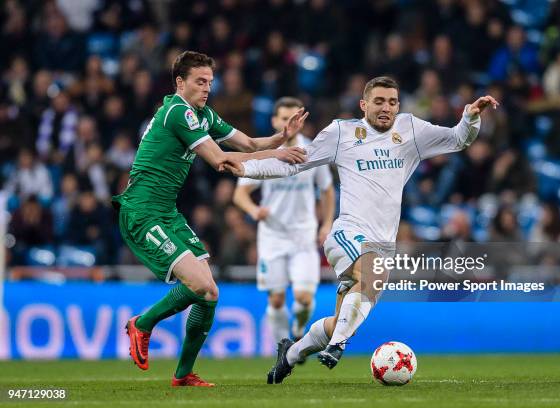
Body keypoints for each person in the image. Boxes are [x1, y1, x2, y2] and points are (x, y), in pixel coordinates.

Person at [225, 76, 498, 383]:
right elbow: (294, 164)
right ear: (363, 104)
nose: (386, 108)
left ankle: (290, 353)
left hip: (384, 242)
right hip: (347, 233)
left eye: (392, 102)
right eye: (379, 101)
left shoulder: (410, 129)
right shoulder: (341, 132)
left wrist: (470, 117)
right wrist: (246, 166)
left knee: (342, 319)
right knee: (369, 277)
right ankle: (338, 346)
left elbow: (457, 139)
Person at [113, 51, 308, 387]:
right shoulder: (178, 112)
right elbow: (221, 161)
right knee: (200, 285)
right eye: (200, 82)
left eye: (209, 82)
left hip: (166, 212)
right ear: (180, 82)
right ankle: (142, 324)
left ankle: (183, 374)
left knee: (209, 294)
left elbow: (246, 142)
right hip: (142, 211)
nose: (206, 88)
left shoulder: (202, 114)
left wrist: (280, 137)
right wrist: (277, 154)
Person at [233, 97, 335, 345]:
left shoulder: (313, 151)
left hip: (303, 235)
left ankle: (299, 329)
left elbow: (327, 190)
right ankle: (282, 348)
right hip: (272, 236)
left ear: (301, 121)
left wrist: (327, 223)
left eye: (294, 118)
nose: (289, 123)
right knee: (276, 299)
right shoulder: (266, 154)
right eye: (283, 118)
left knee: (303, 298)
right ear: (275, 121)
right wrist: (254, 211)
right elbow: (240, 194)